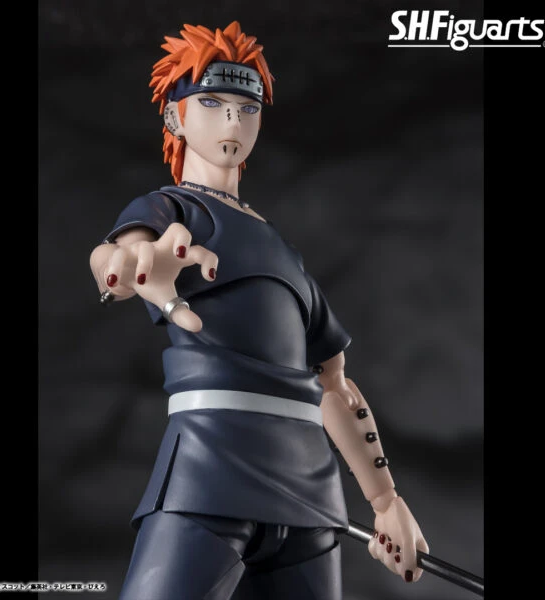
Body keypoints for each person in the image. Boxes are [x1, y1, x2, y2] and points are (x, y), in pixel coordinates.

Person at [89, 21, 429, 600]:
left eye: (247, 108)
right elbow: (118, 256)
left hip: (308, 499)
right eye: (212, 103)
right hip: (208, 473)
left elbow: (334, 385)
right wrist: (124, 266)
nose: (232, 121)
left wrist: (386, 501)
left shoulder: (284, 252)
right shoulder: (171, 211)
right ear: (174, 117)